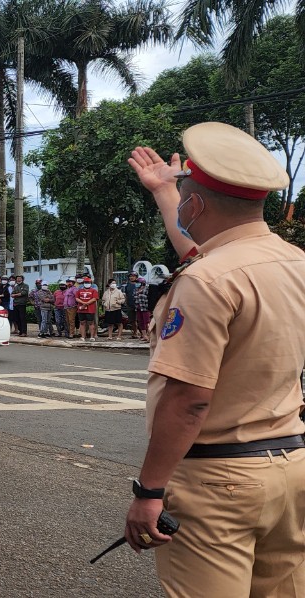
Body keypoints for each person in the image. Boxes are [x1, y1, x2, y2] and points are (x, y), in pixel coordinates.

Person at [124, 123, 305, 596]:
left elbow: (189, 400)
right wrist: (165, 190)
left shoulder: (208, 280)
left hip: (218, 482)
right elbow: (200, 254)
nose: (181, 204)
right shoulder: (293, 261)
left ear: (198, 204)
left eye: (184, 195)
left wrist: (149, 491)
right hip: (289, 469)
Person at [73, 277, 98, 341]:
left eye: (88, 282)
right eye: (86, 282)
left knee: (91, 323)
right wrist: (83, 302)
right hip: (81, 309)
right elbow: (77, 298)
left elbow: (94, 298)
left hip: (90, 309)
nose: (87, 284)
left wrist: (87, 303)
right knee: (82, 323)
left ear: (91, 283)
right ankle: (83, 337)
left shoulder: (94, 291)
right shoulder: (79, 291)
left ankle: (92, 336)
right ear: (83, 283)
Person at [133, 276, 152, 343]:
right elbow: (134, 297)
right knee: (141, 322)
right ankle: (144, 336)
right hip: (138, 308)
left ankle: (150, 336)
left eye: (138, 282)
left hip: (145, 307)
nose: (137, 284)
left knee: (147, 322)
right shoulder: (135, 289)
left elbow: (149, 298)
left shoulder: (147, 289)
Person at [122, 273, 141, 338]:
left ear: (136, 277)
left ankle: (143, 333)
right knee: (132, 320)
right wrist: (126, 303)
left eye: (133, 276)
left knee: (140, 319)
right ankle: (135, 333)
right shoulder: (127, 285)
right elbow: (126, 295)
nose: (131, 277)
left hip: (138, 304)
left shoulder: (139, 284)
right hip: (130, 305)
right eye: (130, 276)